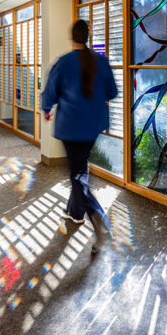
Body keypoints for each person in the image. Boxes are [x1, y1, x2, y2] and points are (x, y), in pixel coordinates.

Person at [41, 19, 118, 254]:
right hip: (93, 126)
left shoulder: (64, 62)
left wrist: (46, 109)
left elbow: (50, 92)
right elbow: (112, 91)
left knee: (77, 175)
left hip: (71, 127)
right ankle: (75, 213)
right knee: (79, 168)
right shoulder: (101, 61)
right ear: (87, 36)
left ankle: (100, 222)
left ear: (72, 37)